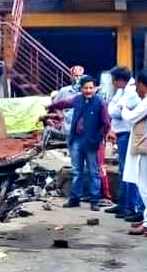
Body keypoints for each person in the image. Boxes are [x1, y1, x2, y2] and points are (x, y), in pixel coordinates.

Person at [47, 74, 111, 211]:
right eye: (85, 88)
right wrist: (51, 106)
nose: (88, 90)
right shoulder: (77, 99)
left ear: (95, 88)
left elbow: (106, 123)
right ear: (80, 89)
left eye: (91, 88)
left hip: (92, 142)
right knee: (77, 171)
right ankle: (75, 199)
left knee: (93, 172)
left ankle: (95, 200)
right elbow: (64, 103)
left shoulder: (100, 103)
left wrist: (100, 138)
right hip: (76, 140)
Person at [123, 70, 147, 235]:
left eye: (137, 85)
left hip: (146, 145)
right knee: (145, 184)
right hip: (146, 143)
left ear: (142, 85)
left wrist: (122, 109)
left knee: (145, 185)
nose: (136, 89)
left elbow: (131, 117)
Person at [106, 67, 141, 218]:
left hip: (127, 134)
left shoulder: (132, 92)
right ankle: (122, 204)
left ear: (120, 79)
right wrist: (116, 109)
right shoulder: (122, 91)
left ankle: (129, 207)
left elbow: (115, 112)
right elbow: (111, 109)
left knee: (129, 171)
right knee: (123, 170)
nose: (112, 83)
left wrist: (116, 109)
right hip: (121, 134)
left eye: (114, 80)